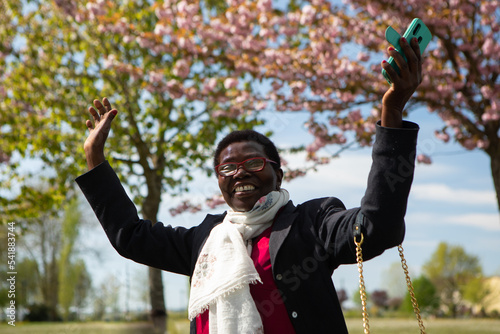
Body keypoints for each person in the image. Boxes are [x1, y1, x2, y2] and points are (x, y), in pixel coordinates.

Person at [76, 36, 423, 333]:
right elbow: (131, 237)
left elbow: (377, 228)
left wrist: (391, 113)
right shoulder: (204, 239)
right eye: (227, 168)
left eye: (253, 163)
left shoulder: (312, 222)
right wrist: (95, 159)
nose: (240, 173)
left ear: (278, 174)